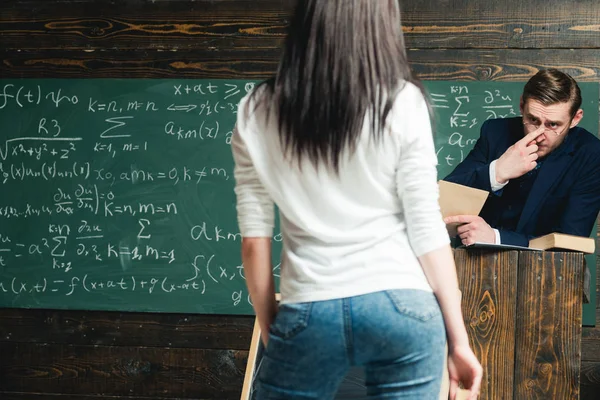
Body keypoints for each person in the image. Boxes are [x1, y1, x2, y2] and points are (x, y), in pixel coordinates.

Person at [231, 1, 482, 399]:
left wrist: (273, 332)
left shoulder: (257, 110)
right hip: (404, 306)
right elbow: (426, 228)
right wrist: (459, 340)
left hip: (312, 307)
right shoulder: (404, 101)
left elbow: (253, 242)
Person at [443, 69, 600, 247]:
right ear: (521, 106)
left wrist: (496, 238)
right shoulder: (494, 133)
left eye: (553, 124)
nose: (540, 135)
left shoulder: (591, 154)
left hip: (551, 269)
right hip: (476, 262)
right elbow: (446, 202)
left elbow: (571, 242)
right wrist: (497, 172)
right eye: (533, 120)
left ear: (575, 118)